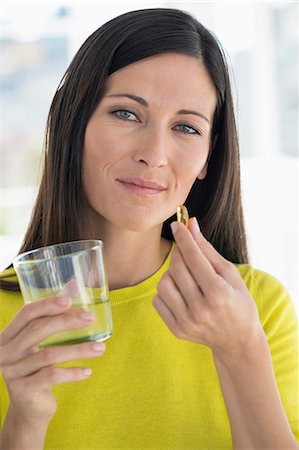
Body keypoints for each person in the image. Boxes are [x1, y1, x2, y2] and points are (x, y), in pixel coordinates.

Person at [0, 7, 298, 449]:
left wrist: (241, 353)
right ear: (73, 122)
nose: (155, 154)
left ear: (207, 158)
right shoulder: (12, 328)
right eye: (126, 114)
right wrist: (25, 420)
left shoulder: (257, 307)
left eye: (185, 127)